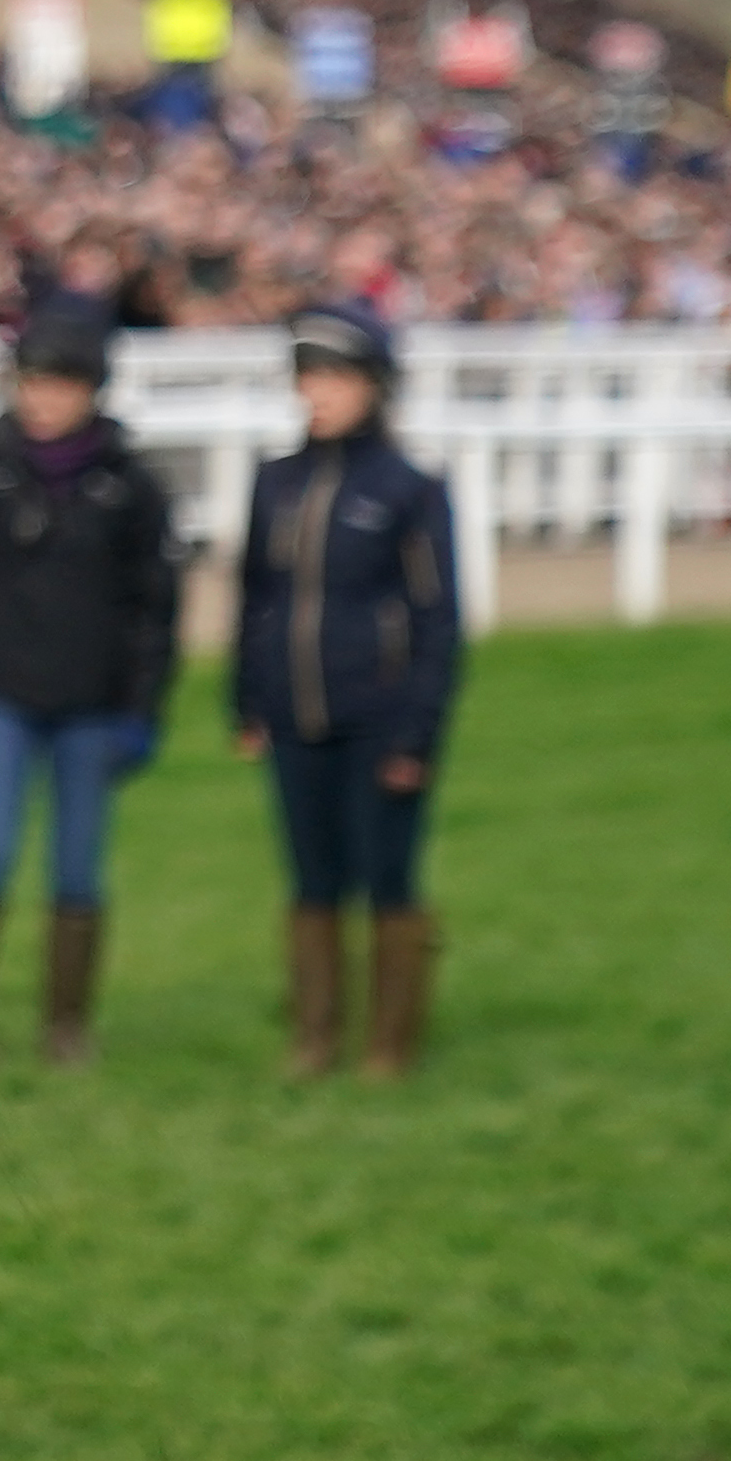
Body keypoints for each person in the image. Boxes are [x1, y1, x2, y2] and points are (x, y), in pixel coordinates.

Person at [0, 303, 182, 1064]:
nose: (41, 400)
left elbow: (156, 606)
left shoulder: (130, 485)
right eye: (30, 382)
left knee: (77, 868)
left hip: (93, 705)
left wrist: (142, 707)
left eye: (58, 385)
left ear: (91, 390)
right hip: (0, 695)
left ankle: (67, 1028)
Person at [234, 300, 462, 1079]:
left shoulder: (409, 488)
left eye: (335, 376)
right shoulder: (275, 481)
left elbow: (438, 620)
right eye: (308, 375)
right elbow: (256, 597)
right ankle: (315, 1035)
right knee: (312, 878)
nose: (318, 392)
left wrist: (417, 732)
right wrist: (247, 700)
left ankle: (390, 1043)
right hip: (294, 716)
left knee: (387, 877)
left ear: (375, 385)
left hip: (380, 719)